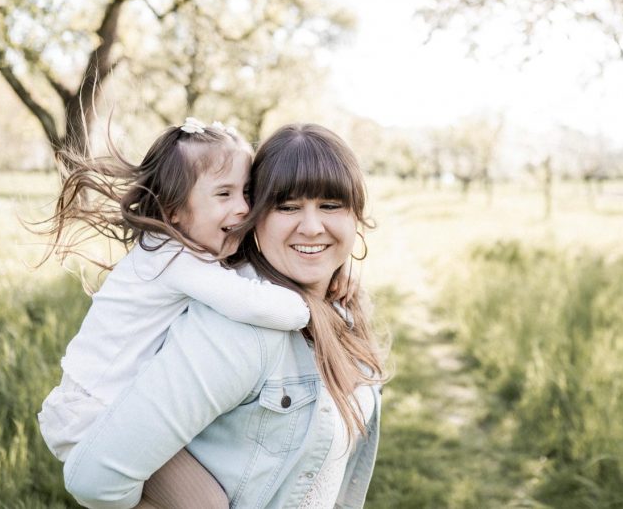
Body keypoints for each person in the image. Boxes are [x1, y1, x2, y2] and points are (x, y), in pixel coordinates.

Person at [63, 123, 387, 509]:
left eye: (331, 206)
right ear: (257, 217)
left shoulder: (341, 306)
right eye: (287, 206)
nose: (313, 227)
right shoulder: (238, 329)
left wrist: (331, 296)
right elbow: (95, 479)